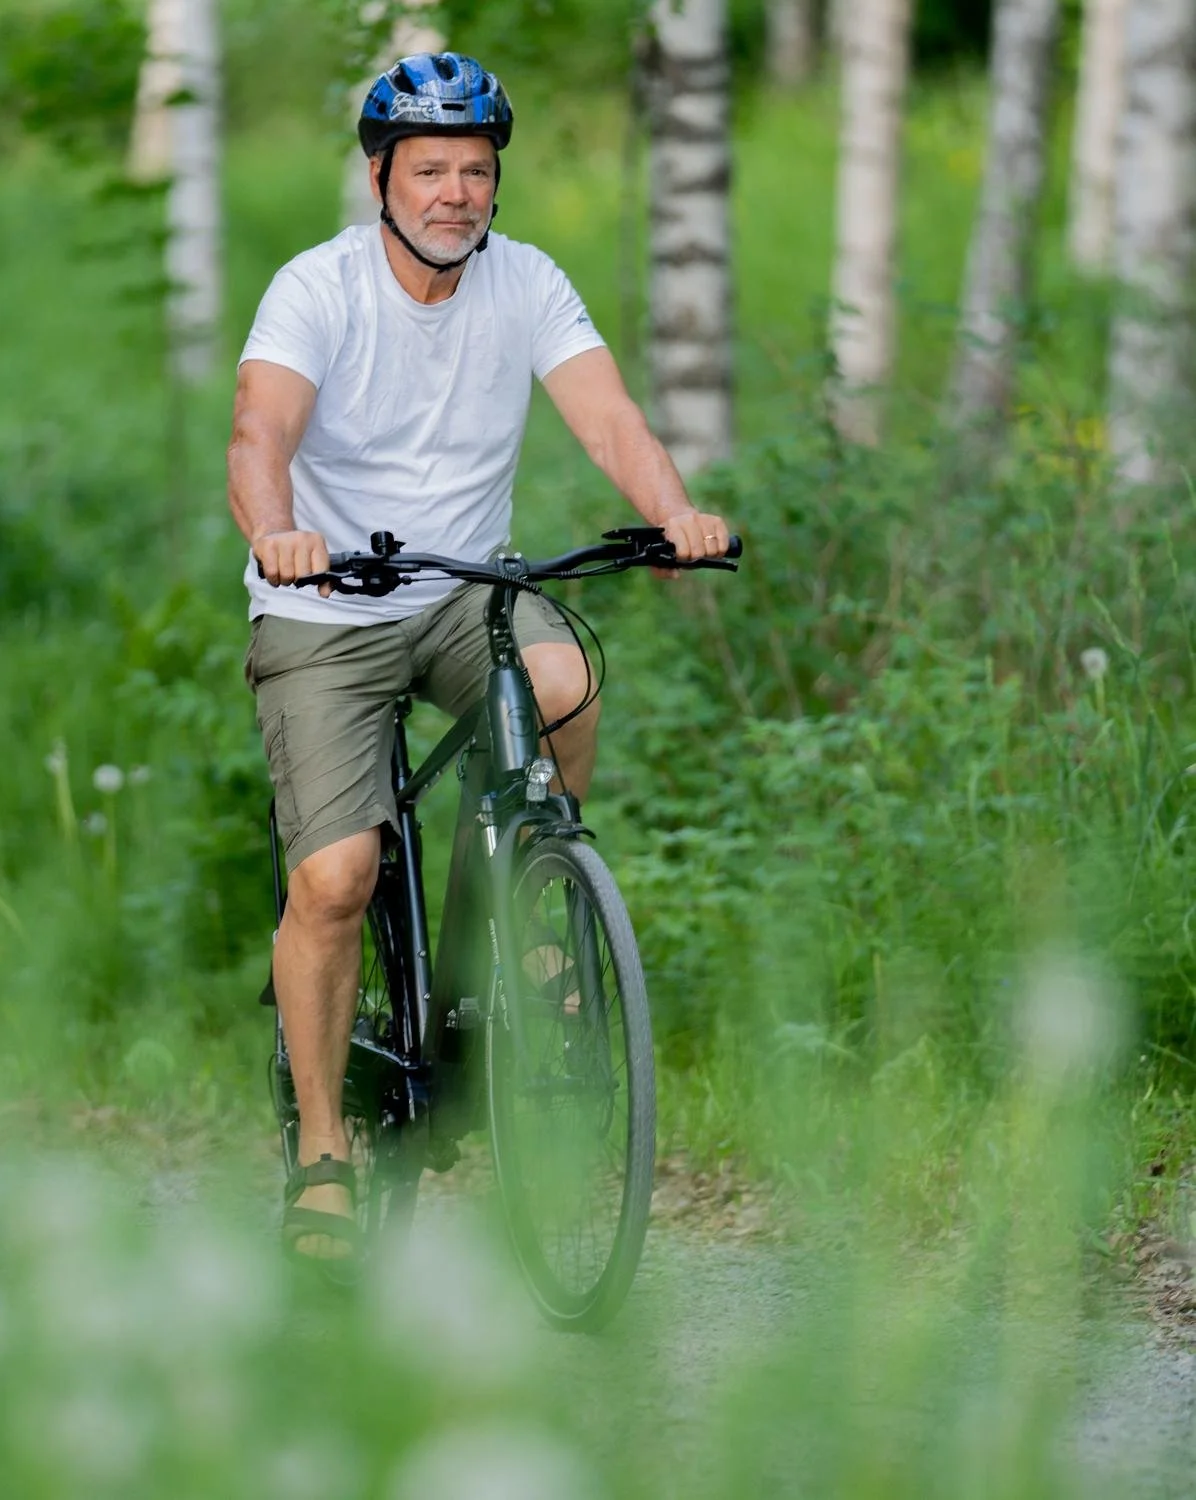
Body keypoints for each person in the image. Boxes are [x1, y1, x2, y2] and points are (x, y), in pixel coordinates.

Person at [227, 52, 730, 1272]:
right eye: (430, 169)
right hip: (328, 604)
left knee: (564, 683)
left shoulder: (528, 284)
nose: (455, 192)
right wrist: (277, 530)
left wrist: (671, 510)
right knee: (336, 879)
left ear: (495, 183)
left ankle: (524, 918)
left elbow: (608, 415)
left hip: (463, 591)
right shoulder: (318, 288)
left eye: (476, 169)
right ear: (381, 179)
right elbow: (261, 431)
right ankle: (324, 1153)